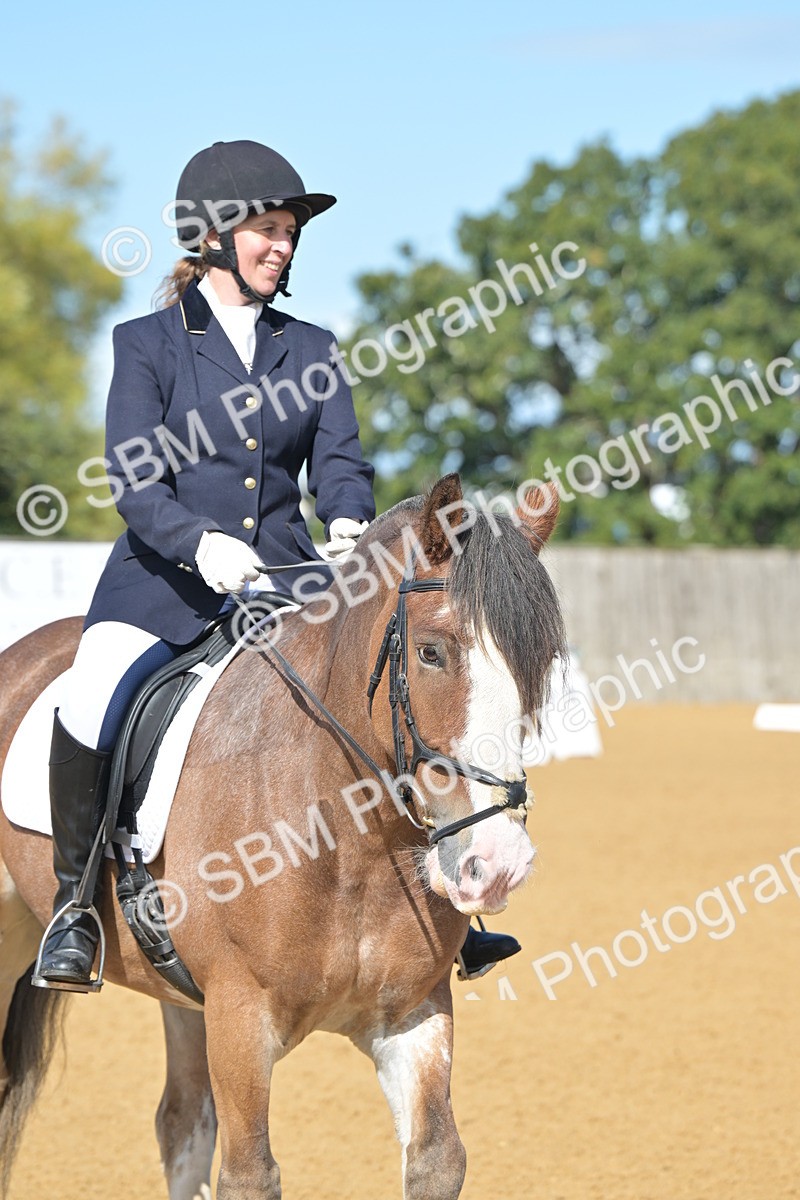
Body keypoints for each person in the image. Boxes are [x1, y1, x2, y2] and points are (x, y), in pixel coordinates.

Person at [33, 140, 517, 992]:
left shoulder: (314, 348)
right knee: (92, 694)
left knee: (390, 696)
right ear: (213, 235)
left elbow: (342, 462)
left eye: (289, 231)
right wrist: (200, 542)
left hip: (292, 576)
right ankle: (76, 906)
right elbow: (134, 479)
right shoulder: (147, 344)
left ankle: (446, 905)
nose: (282, 245)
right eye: (267, 229)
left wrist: (347, 521)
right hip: (162, 579)